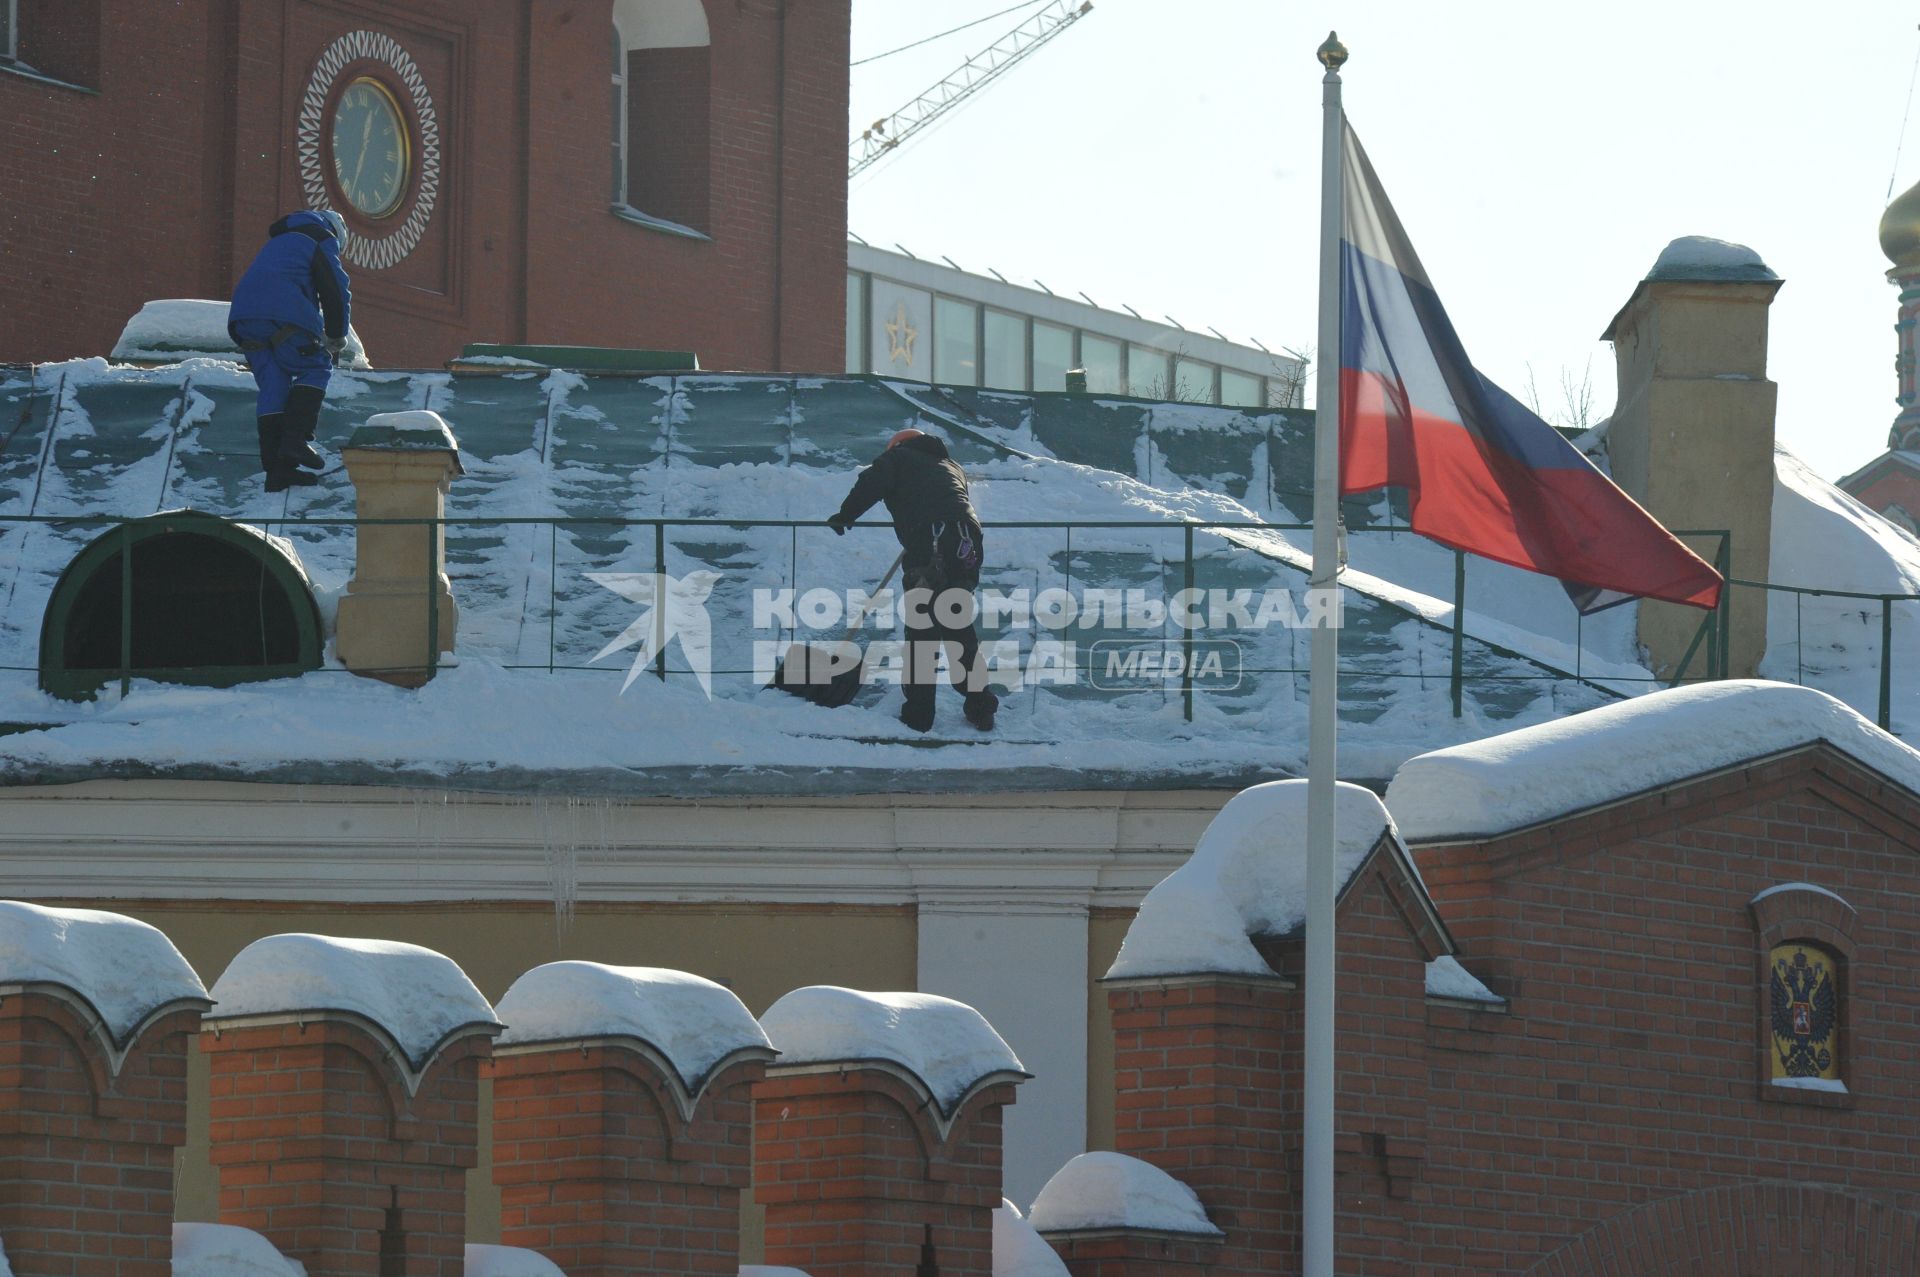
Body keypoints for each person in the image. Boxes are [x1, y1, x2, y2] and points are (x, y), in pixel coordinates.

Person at [829, 428, 999, 733]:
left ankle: (919, 716)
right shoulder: (951, 466)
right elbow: (944, 504)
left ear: (897, 446)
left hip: (929, 543)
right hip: (967, 546)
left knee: (923, 631)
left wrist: (846, 515)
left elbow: (873, 481)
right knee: (959, 628)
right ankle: (980, 707)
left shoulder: (899, 457)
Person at [228, 209, 353, 492]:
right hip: (282, 314)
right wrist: (335, 335)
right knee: (316, 367)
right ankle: (296, 441)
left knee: (275, 384)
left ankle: (277, 469)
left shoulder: (279, 242)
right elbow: (336, 289)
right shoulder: (319, 236)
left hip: (244, 319)